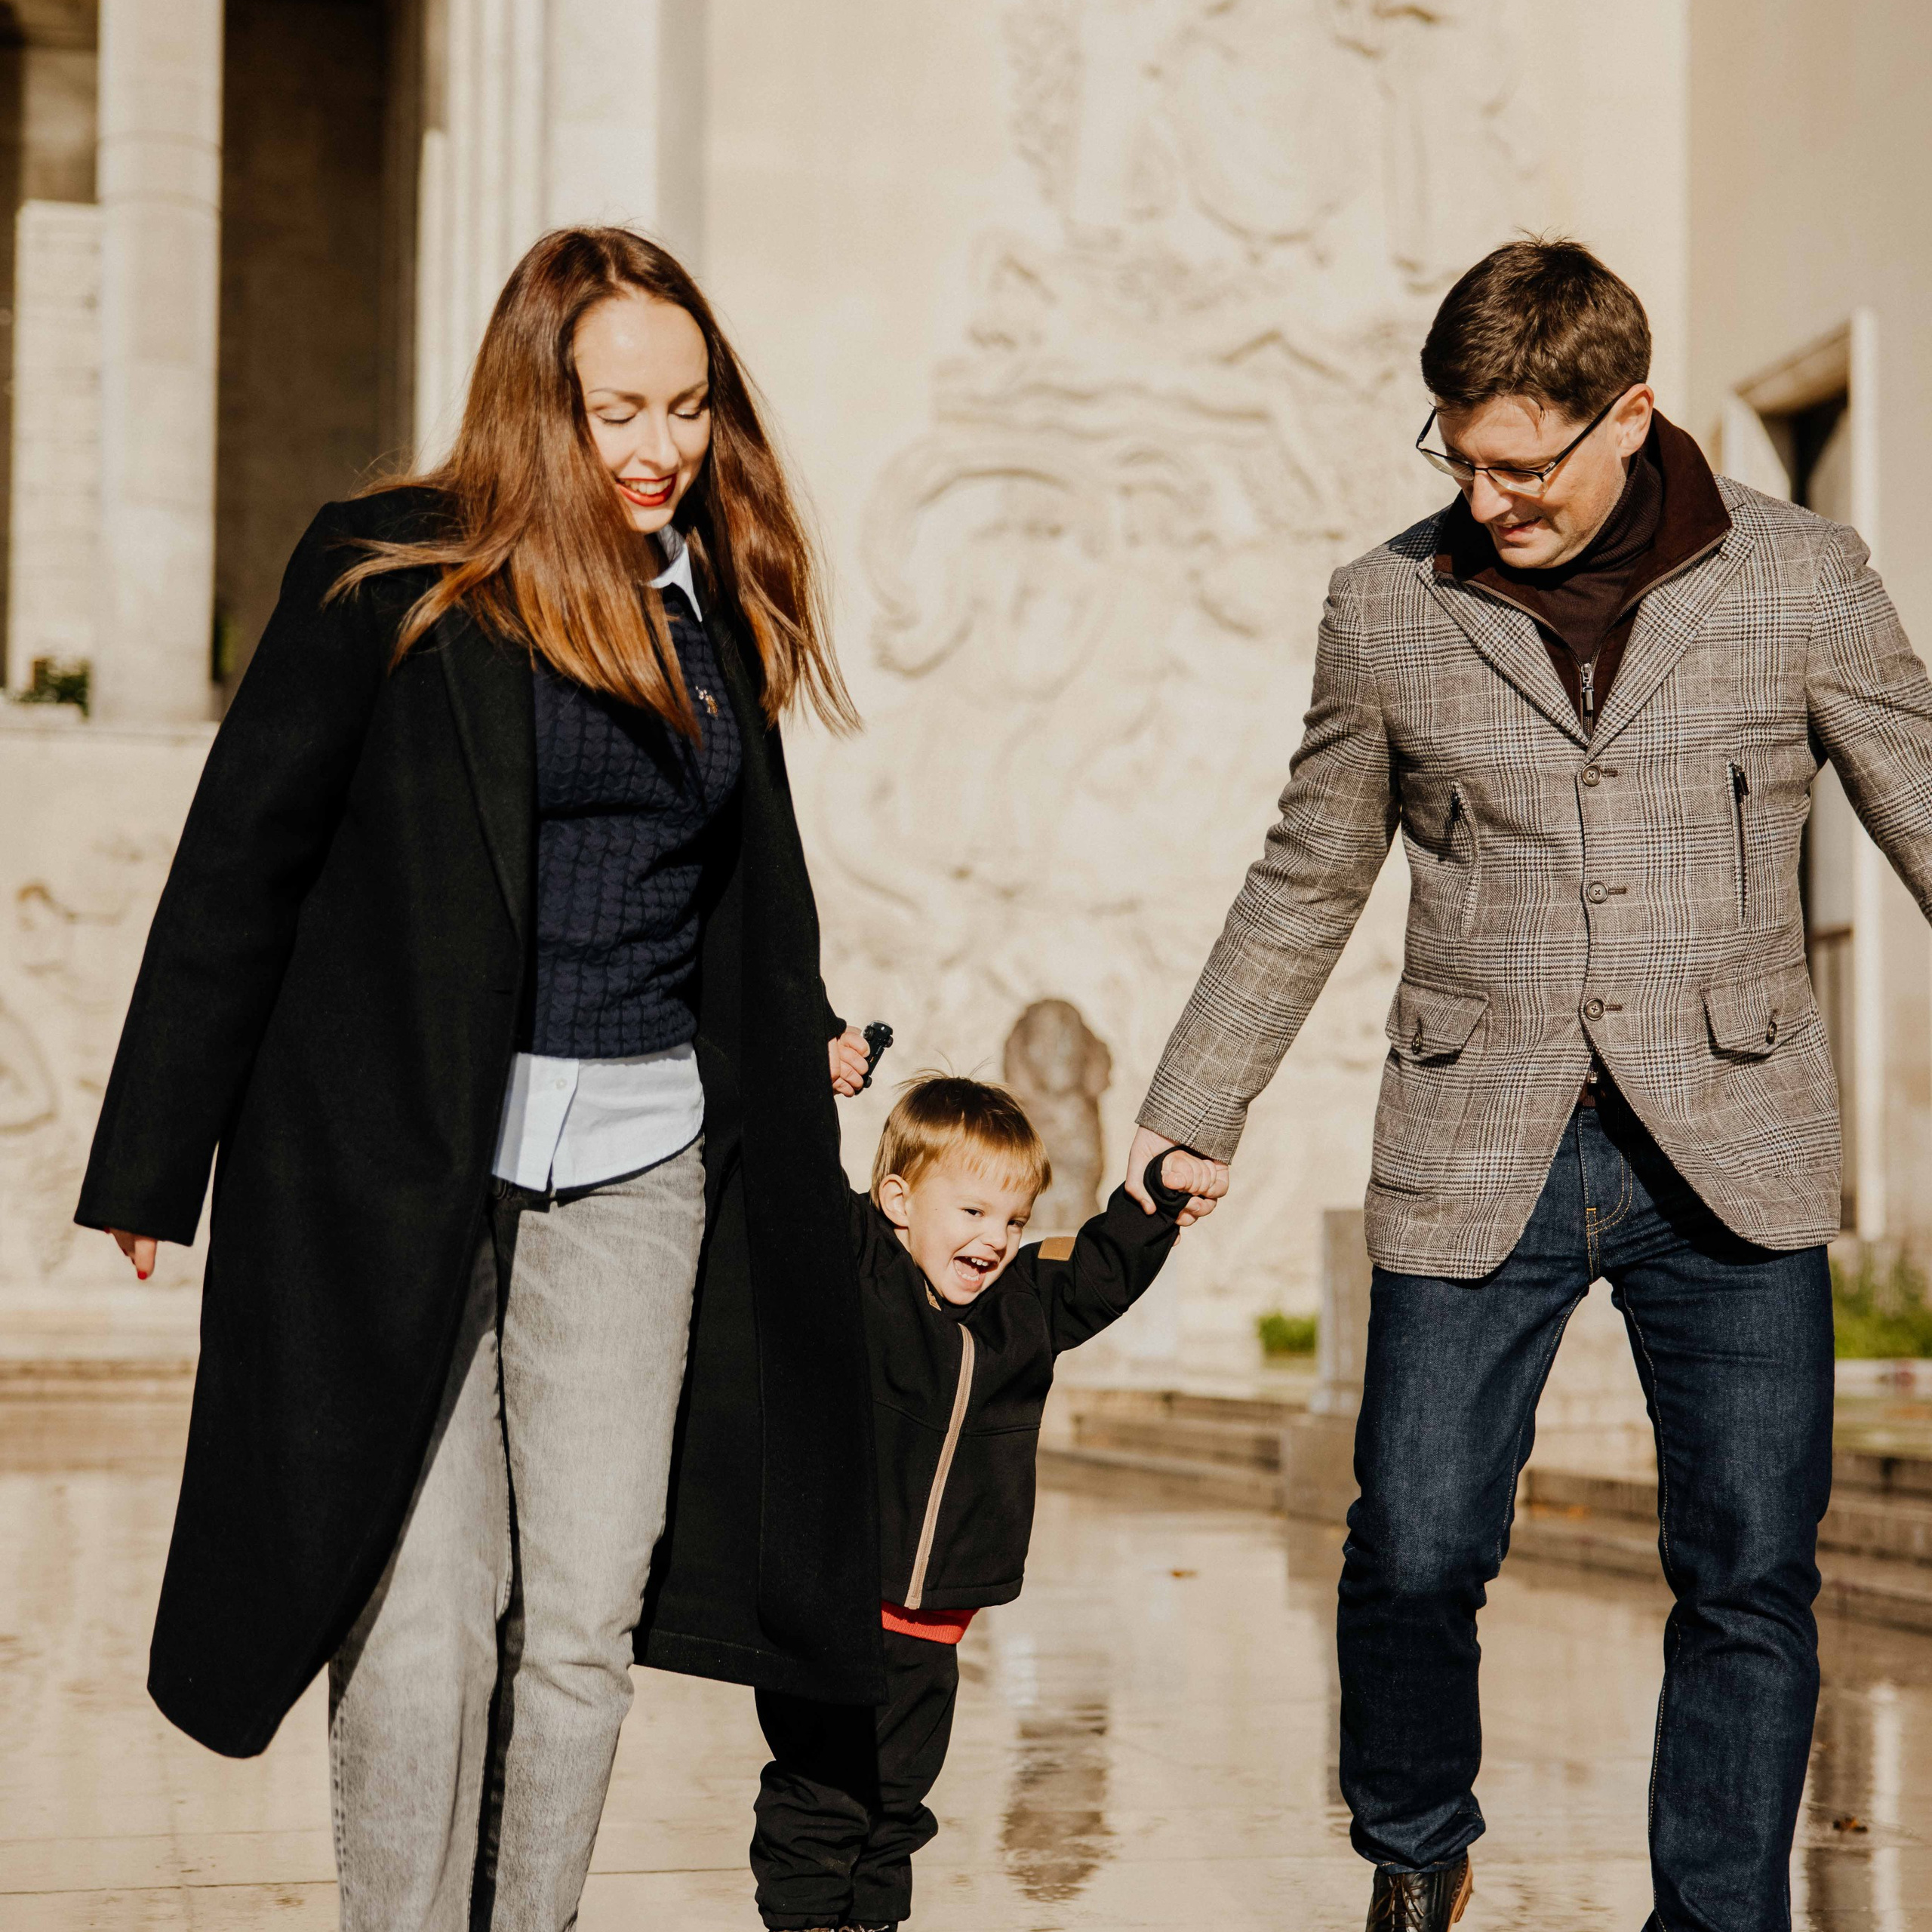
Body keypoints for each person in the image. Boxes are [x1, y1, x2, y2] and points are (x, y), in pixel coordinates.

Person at [75, 226, 887, 1932]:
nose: (659, 447)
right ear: (538, 405)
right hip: (403, 1167)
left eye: (684, 406)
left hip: (640, 1160)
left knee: (584, 1612)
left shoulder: (711, 586)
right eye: (616, 412)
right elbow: (243, 863)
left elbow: (742, 865)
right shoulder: (389, 575)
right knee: (428, 1606)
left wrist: (795, 1021)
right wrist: (155, 1154)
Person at [1125, 238, 1932, 1932]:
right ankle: (1415, 1840)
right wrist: (1203, 1095)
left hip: (1730, 1143)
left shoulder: (1801, 576)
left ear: (1625, 412)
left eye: (1519, 461)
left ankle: (1712, 1914)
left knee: (1747, 1571)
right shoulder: (1386, 606)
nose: (1483, 494)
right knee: (1408, 1541)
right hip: (1473, 1129)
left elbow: (1919, 797)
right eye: (1457, 454)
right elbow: (1306, 870)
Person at [749, 1075, 1217, 1932]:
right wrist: (800, 1078)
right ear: (897, 1200)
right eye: (970, 1213)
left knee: (896, 1801)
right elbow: (793, 1181)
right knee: (820, 1797)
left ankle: (871, 1920)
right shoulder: (856, 1266)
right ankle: (805, 1920)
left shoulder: (1023, 1307)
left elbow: (1099, 1270)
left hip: (933, 1627)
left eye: (1011, 1220)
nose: (994, 1239)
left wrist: (1153, 1204)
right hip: (830, 1605)